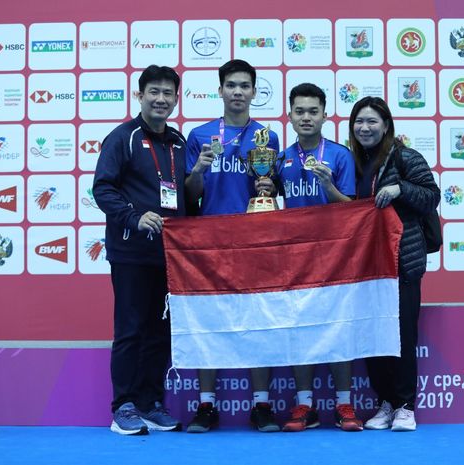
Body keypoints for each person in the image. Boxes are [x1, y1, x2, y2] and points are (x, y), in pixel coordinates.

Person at [184, 59, 281, 433]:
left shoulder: (267, 138)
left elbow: (271, 187)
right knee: (209, 324)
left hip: (254, 242)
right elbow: (191, 196)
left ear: (254, 92)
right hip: (210, 241)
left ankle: (261, 406)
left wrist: (269, 187)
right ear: (220, 90)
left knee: (259, 323)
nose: (238, 92)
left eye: (245, 86)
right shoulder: (199, 136)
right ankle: (206, 406)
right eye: (231, 85)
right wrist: (197, 171)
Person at [93, 65, 187, 435]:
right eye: (154, 92)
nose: (161, 99)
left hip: (170, 256)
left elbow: (185, 196)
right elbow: (103, 189)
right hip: (131, 253)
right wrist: (133, 217)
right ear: (140, 95)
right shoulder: (122, 138)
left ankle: (150, 403)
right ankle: (124, 406)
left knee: (160, 333)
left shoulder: (179, 142)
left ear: (176, 98)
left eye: (168, 93)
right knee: (130, 330)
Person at [264, 83, 362, 432]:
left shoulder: (339, 156)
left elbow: (352, 210)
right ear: (289, 115)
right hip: (294, 260)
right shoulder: (280, 158)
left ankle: (344, 404)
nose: (306, 117)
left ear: (324, 115)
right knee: (300, 331)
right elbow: (274, 203)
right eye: (300, 111)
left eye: (313, 111)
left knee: (337, 332)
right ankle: (304, 404)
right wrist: (265, 188)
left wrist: (329, 186)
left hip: (334, 259)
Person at [348, 96, 440, 432]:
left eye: (372, 121)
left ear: (386, 125)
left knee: (402, 335)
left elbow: (431, 195)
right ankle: (385, 402)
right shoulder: (353, 161)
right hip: (366, 266)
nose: (365, 128)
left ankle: (405, 406)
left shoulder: (405, 157)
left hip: (403, 263)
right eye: (359, 122)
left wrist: (400, 188)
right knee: (375, 335)